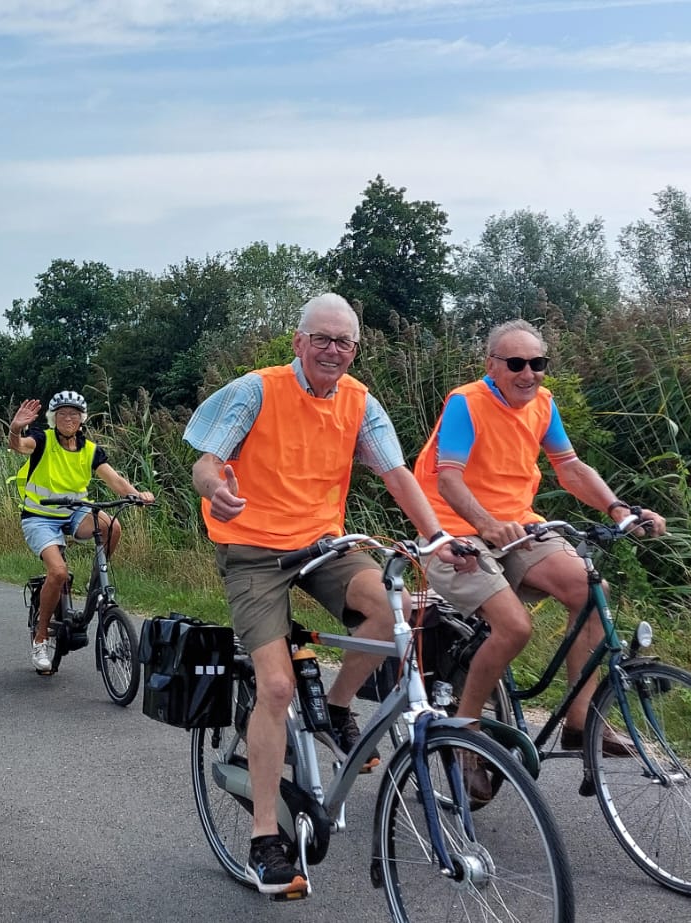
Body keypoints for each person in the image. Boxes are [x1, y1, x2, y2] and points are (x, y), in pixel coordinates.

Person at [184, 293, 471, 897]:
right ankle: (266, 838)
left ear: (355, 349)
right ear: (298, 342)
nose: (333, 351)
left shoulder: (360, 402)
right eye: (322, 339)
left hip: (322, 544)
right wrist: (216, 490)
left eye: (344, 342)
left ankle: (338, 707)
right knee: (279, 684)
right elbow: (207, 464)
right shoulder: (257, 391)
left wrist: (438, 537)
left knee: (399, 610)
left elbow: (396, 474)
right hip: (254, 550)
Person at [412, 318, 669, 802]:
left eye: (537, 363)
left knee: (591, 590)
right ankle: (467, 741)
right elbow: (449, 480)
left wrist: (618, 509)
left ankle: (580, 724)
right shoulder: (466, 403)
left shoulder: (543, 405)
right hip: (455, 534)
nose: (528, 374)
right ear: (492, 366)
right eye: (515, 364)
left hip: (518, 527)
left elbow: (568, 466)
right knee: (514, 628)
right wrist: (486, 525)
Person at [7, 390, 153, 673]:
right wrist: (15, 429)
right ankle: (40, 639)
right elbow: (19, 446)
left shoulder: (90, 450)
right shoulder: (42, 439)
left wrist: (137, 495)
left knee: (112, 526)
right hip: (40, 517)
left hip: (75, 513)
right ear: (54, 418)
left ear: (82, 419)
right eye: (62, 413)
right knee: (58, 573)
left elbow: (115, 480)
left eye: (74, 414)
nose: (68, 418)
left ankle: (96, 582)